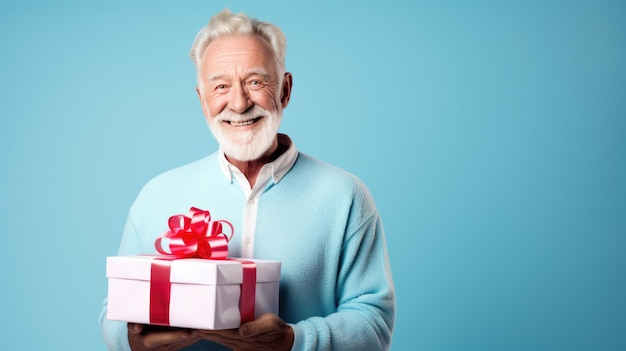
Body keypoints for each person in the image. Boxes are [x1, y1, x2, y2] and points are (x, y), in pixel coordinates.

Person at [99, 8, 395, 351]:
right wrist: (133, 341)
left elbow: (374, 322)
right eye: (221, 86)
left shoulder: (345, 196)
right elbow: (114, 312)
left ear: (284, 90)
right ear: (202, 101)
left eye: (255, 82)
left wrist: (293, 341)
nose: (238, 103)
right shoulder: (156, 195)